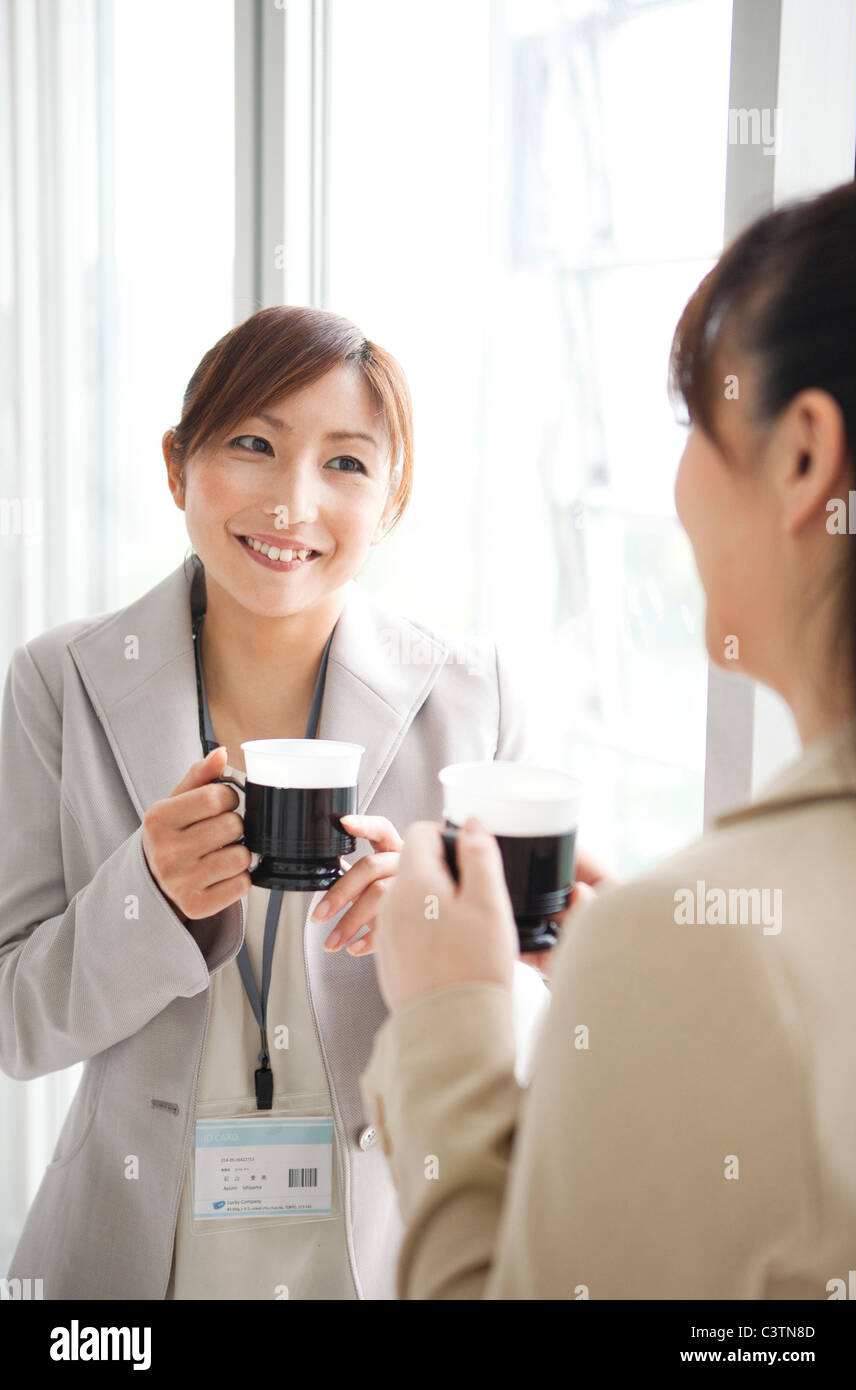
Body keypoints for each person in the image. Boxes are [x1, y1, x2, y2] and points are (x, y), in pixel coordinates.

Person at [360, 179, 856, 1299]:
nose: (678, 489)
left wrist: (450, 1020)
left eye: (696, 426)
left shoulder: (704, 951)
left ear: (801, 458)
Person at [0, 305, 551, 1300]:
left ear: (390, 499)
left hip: (382, 1250)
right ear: (177, 467)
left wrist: (440, 949)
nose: (293, 503)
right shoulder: (61, 681)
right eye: (253, 444)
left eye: (345, 463)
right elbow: (12, 1022)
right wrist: (147, 897)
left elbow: (540, 1019)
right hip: (133, 1259)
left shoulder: (476, 693)